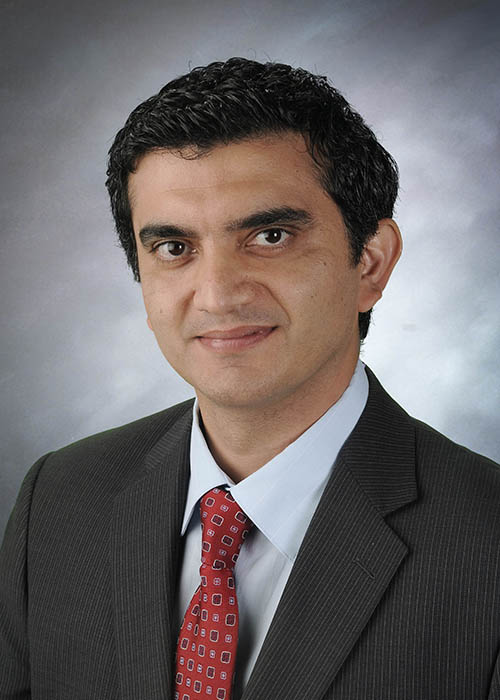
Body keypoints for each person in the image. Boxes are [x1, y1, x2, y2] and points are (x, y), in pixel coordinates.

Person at [1, 57, 499, 700]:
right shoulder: (60, 500)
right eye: (174, 248)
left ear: (371, 263)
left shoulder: (486, 541)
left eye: (270, 236)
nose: (216, 295)